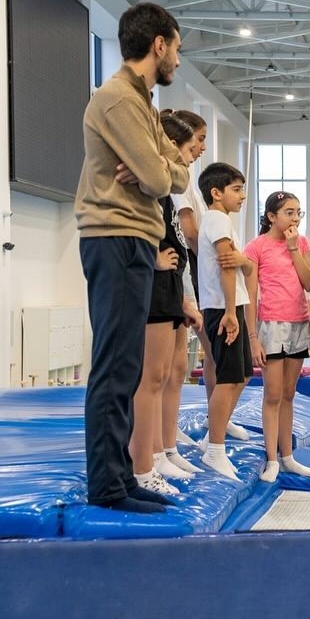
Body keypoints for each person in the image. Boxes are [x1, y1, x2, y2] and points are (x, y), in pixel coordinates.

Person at [74, 2, 188, 513]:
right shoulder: (119, 99)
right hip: (114, 237)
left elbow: (179, 172)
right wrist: (156, 169)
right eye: (177, 49)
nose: (179, 62)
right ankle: (107, 486)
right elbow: (164, 179)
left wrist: (154, 165)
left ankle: (120, 476)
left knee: (128, 364)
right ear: (158, 44)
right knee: (116, 367)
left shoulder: (142, 102)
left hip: (134, 239)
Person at [126, 112, 204, 496]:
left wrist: (185, 297)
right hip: (153, 286)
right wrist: (151, 256)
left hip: (171, 286)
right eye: (192, 146)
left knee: (171, 372)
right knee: (151, 377)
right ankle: (144, 464)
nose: (197, 152)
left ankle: (161, 449)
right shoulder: (150, 187)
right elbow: (131, 227)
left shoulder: (168, 196)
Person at [170, 110, 251, 443]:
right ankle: (187, 437)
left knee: (230, 370)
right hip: (198, 285)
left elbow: (233, 260)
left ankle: (215, 426)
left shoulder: (212, 210)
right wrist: (222, 300)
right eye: (198, 140)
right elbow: (194, 237)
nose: (201, 148)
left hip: (208, 286)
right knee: (185, 365)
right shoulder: (179, 185)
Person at [245, 191, 310, 482]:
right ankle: (272, 459)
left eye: (298, 211)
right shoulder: (256, 247)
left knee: (289, 394)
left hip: (299, 323)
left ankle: (288, 457)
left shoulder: (300, 243)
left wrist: (293, 249)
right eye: (289, 212)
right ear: (272, 216)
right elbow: (250, 294)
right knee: (272, 394)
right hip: (271, 325)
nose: (295, 218)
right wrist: (252, 336)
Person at [196, 162, 256, 479]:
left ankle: (212, 437)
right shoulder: (217, 219)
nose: (242, 196)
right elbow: (227, 266)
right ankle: (215, 450)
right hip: (223, 308)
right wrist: (231, 312)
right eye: (236, 189)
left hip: (232, 305)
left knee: (242, 373)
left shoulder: (222, 220)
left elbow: (242, 265)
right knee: (229, 378)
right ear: (216, 193)